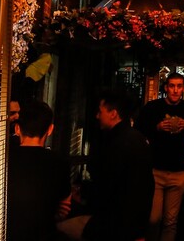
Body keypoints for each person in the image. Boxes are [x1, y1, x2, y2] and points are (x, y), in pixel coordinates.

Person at [60, 89, 153, 241]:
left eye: (100, 111)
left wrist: (82, 194)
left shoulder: (117, 143)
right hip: (131, 223)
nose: (97, 116)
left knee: (60, 230)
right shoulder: (136, 138)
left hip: (115, 225)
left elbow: (107, 187)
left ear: (113, 113)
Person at [136, 71, 184, 241]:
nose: (175, 90)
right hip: (156, 171)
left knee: (170, 221)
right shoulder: (153, 107)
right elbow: (137, 131)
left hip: (178, 172)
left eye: (179, 86)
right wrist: (156, 127)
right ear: (166, 88)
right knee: (153, 219)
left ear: (183, 88)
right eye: (172, 86)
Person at [7, 100, 71, 241]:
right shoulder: (60, 163)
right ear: (50, 129)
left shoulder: (3, 160)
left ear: (17, 129)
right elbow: (64, 208)